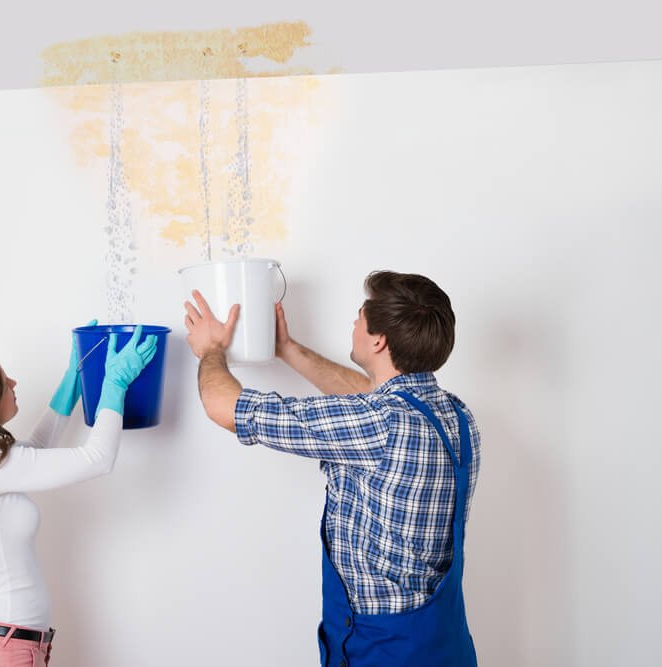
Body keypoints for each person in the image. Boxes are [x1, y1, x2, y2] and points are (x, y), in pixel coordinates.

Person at [184, 270, 481, 667]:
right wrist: (287, 348)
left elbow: (225, 408)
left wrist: (211, 350)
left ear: (379, 340)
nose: (354, 322)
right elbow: (365, 397)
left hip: (383, 651)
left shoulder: (380, 423)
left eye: (360, 314)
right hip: (445, 645)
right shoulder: (455, 415)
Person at [0, 324, 157, 667]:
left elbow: (33, 453)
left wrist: (73, 379)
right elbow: (98, 458)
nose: (14, 384)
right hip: (1, 652)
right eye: (4, 382)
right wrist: (115, 384)